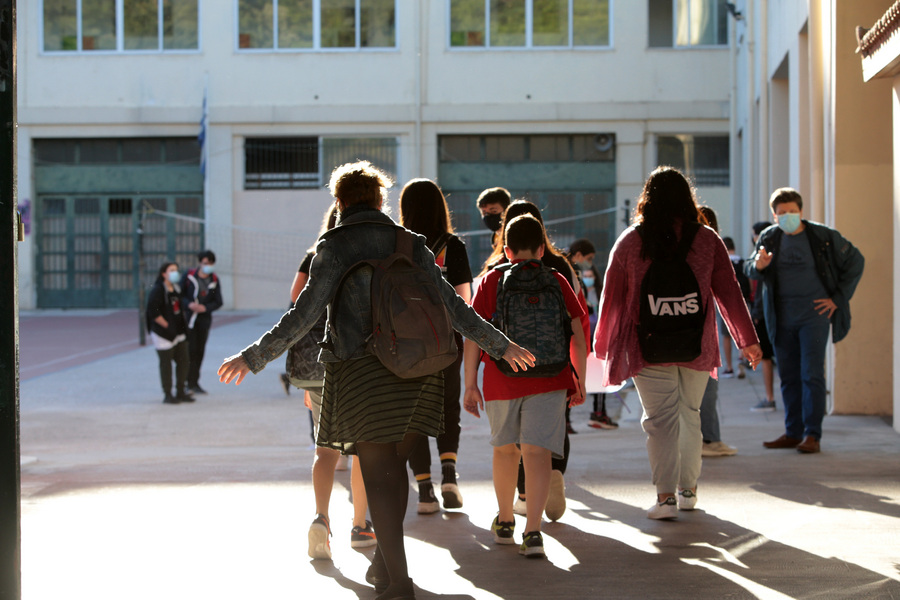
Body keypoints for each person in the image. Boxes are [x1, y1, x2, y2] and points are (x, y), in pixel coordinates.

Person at [217, 161, 534, 600]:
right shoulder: (411, 242)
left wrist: (252, 358)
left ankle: (399, 583)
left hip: (362, 374)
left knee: (377, 470)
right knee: (392, 473)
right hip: (418, 371)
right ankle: (386, 569)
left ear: (340, 201)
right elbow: (456, 309)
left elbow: (303, 315)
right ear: (382, 200)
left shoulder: (334, 246)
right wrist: (502, 346)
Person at [594, 167, 761, 519]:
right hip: (696, 343)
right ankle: (688, 491)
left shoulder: (630, 240)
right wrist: (747, 340)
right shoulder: (708, 239)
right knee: (689, 414)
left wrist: (603, 345)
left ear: (647, 198)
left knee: (660, 420)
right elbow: (729, 293)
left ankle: (665, 498)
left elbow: (612, 298)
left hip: (647, 343)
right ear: (688, 198)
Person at [464, 214, 586, 559]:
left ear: (506, 249)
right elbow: (577, 334)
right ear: (542, 248)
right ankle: (533, 532)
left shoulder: (491, 281)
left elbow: (476, 334)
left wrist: (470, 383)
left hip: (502, 379)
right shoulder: (558, 280)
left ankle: (505, 521)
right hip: (550, 378)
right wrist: (580, 379)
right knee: (538, 453)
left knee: (506, 450)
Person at [284, 205, 375, 559]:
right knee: (363, 449)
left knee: (326, 450)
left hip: (318, 365)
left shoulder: (315, 256)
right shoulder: (369, 256)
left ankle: (321, 518)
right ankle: (360, 525)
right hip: (358, 363)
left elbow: (296, 301)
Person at [746, 188, 864, 454]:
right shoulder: (769, 237)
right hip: (782, 317)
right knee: (788, 375)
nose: (787, 216)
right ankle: (792, 431)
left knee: (811, 373)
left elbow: (856, 260)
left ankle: (813, 434)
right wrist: (760, 265)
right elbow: (750, 267)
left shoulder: (822, 236)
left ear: (801, 211)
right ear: (774, 215)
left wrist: (838, 298)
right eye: (782, 213)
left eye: (792, 212)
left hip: (815, 317)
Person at [398, 179, 471, 514]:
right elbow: (464, 301)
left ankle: (425, 489)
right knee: (447, 410)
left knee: (412, 413)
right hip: (446, 344)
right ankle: (450, 476)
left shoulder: (396, 244)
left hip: (406, 347)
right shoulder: (452, 246)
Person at [696, 206, 739, 459]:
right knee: (707, 389)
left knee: (706, 389)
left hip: (700, 331)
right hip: (700, 333)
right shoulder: (706, 250)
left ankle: (709, 438)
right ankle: (708, 439)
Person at [567, 239, 618, 430]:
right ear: (578, 255)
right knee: (572, 371)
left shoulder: (591, 272)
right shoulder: (565, 270)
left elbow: (600, 295)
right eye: (588, 258)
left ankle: (599, 413)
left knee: (597, 370)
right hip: (576, 328)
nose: (590, 262)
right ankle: (565, 418)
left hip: (593, 326)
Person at [146, 262, 193, 404]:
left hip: (179, 332)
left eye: (176, 270)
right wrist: (167, 326)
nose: (175, 273)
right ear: (163, 274)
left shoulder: (176, 288)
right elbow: (153, 312)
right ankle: (167, 393)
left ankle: (180, 390)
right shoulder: (158, 290)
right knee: (166, 363)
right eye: (171, 270)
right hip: (163, 333)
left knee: (183, 361)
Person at [181, 250, 223, 395]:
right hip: (189, 320)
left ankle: (195, 382)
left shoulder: (214, 280)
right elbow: (180, 295)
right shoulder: (189, 276)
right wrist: (189, 305)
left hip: (204, 320)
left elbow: (218, 301)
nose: (208, 266)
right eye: (205, 263)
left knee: (199, 351)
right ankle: (187, 383)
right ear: (200, 263)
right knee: (189, 351)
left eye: (210, 263)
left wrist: (205, 307)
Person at [748, 221, 777, 412]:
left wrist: (756, 313)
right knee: (767, 357)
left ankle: (770, 398)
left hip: (767, 314)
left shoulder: (768, 257)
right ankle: (770, 397)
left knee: (767, 358)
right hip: (765, 313)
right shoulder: (757, 260)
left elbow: (756, 290)